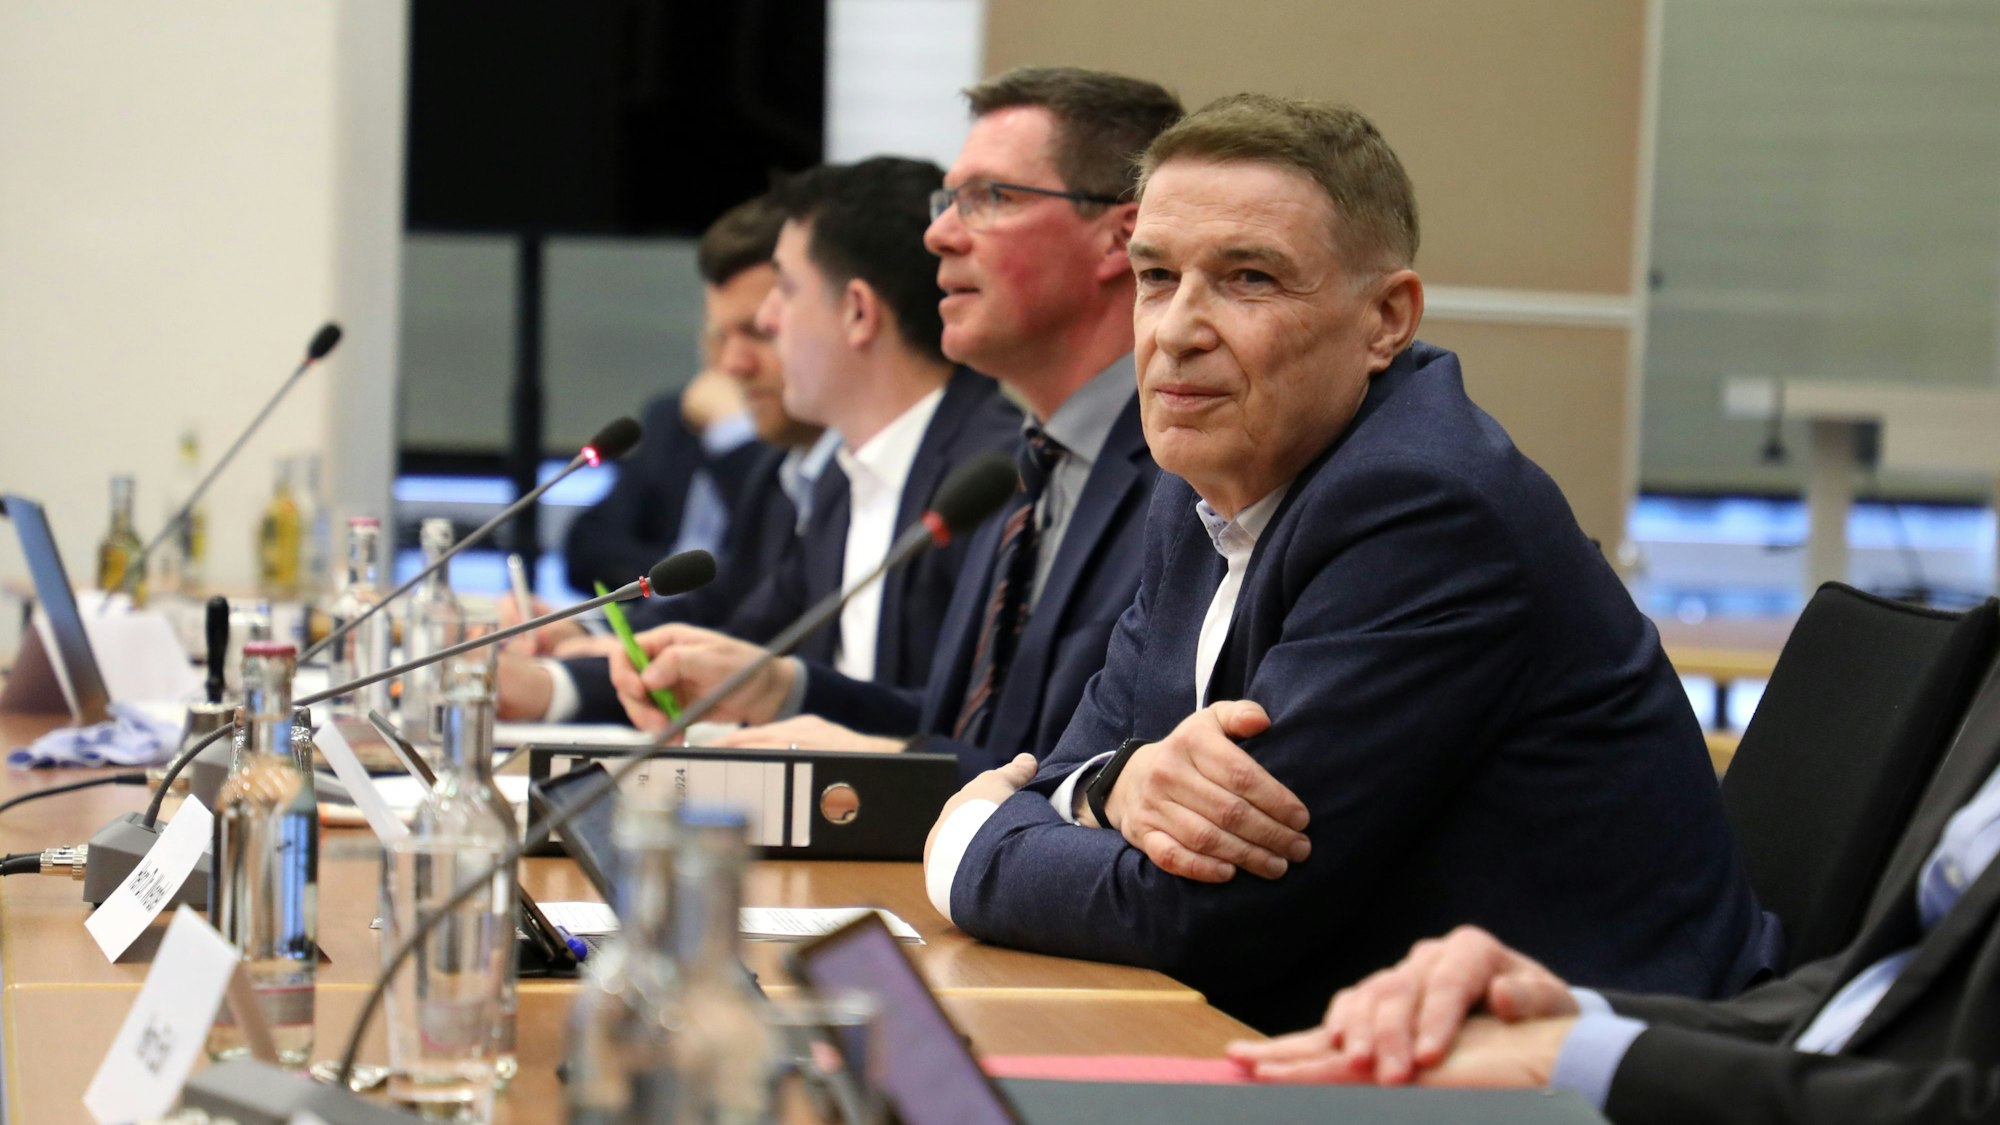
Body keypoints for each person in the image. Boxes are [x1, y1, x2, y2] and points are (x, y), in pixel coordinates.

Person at [920, 93, 1777, 1035]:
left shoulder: (1424, 506)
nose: (1176, 331)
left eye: (1248, 279)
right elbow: (1071, 766)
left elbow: (1197, 910)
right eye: (1156, 276)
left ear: (1386, 318)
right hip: (1343, 1037)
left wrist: (965, 840)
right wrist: (1113, 781)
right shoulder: (1206, 473)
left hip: (1562, 1078)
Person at [634, 66, 1183, 781]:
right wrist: (785, 689)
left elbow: (1101, 783)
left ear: (1120, 238)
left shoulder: (1185, 475)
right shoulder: (1022, 467)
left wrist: (893, 761)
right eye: (947, 200)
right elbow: (967, 733)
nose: (939, 235)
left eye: (990, 197)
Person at [1230, 656, 2000, 1124]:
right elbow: (1863, 998)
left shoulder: (1419, 497)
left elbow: (1208, 905)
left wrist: (1579, 1061)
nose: (1166, 374)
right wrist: (1572, 1015)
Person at [606, 156, 1021, 726]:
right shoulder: (837, 480)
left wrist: (784, 690)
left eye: (785, 289)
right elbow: (746, 642)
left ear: (856, 312)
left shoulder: (993, 481)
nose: (771, 321)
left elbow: (988, 735)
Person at [497, 194, 834, 722]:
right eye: (717, 336)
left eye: (758, 333)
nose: (730, 364)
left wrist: (734, 433)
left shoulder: (789, 461)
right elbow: (592, 547)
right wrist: (594, 631)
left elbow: (746, 633)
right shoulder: (677, 420)